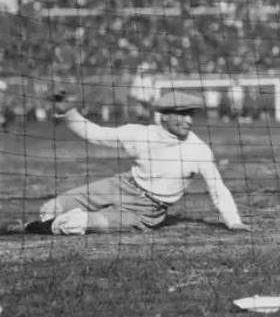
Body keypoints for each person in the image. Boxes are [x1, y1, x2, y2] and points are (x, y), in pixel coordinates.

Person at [19, 90, 248, 235]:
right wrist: (69, 113)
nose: (188, 120)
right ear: (164, 116)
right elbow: (96, 134)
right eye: (182, 114)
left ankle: (33, 229)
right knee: (54, 207)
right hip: (123, 185)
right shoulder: (140, 133)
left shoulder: (198, 150)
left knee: (78, 223)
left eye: (191, 114)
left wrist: (233, 222)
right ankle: (36, 223)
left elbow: (217, 188)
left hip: (148, 210)